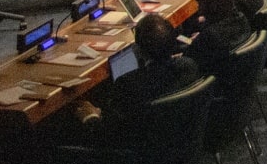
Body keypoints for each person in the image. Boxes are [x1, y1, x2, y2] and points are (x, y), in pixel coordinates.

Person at [69, 15, 199, 140]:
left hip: (138, 150)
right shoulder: (189, 66)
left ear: (138, 50)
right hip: (180, 139)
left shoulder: (128, 84)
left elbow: (108, 135)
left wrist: (91, 117)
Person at [183, 0, 252, 78]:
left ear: (212, 4)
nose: (199, 7)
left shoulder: (210, 36)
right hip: (235, 75)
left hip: (212, 82)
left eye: (200, 1)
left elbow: (187, 63)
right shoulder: (241, 18)